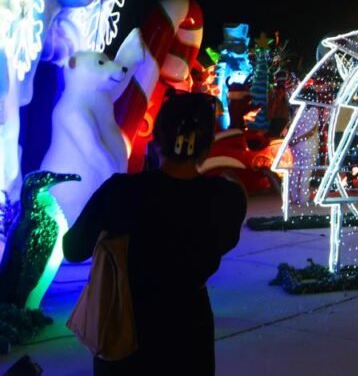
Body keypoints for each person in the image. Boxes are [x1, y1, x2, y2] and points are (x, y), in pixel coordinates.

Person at [63, 93, 247, 376]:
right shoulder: (224, 197)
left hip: (125, 337)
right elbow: (226, 239)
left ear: (157, 139)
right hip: (189, 339)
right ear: (208, 144)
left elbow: (73, 249)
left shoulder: (121, 191)